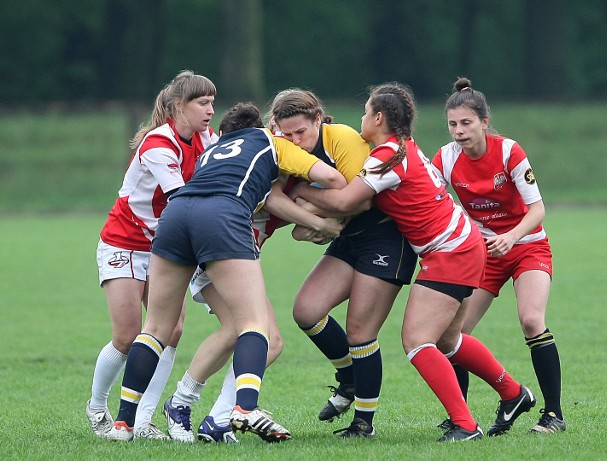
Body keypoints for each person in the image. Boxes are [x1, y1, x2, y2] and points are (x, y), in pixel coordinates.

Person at [292, 82, 536, 442]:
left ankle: (466, 426)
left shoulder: (387, 156)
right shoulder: (403, 149)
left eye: (365, 111)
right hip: (460, 243)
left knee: (418, 340)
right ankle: (514, 394)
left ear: (378, 117)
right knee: (448, 341)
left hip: (451, 250)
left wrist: (294, 189)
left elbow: (345, 202)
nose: (361, 117)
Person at [103, 102, 347, 443]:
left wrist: (314, 220)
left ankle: (126, 422)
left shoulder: (213, 150)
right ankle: (240, 409)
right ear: (267, 127)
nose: (291, 139)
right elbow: (331, 180)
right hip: (220, 228)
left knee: (157, 327)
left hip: (178, 216)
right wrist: (332, 210)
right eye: (286, 133)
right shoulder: (271, 145)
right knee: (258, 328)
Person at [271, 88, 417, 438]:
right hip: (349, 239)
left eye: (301, 132)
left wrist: (303, 199)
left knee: (360, 331)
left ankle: (363, 422)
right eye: (286, 134)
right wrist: (308, 220)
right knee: (306, 311)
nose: (294, 141)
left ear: (318, 119)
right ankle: (349, 378)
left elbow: (357, 202)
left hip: (384, 236)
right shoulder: (280, 147)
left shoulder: (342, 138)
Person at [162, 171, 344, 444]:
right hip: (221, 250)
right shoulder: (275, 162)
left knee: (238, 331)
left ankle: (198, 411)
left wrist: (326, 215)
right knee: (264, 339)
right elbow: (275, 201)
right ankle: (206, 412)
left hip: (223, 251)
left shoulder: (293, 172)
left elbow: (297, 229)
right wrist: (327, 213)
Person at [86, 70, 217, 440]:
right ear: (179, 106)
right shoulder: (160, 143)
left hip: (165, 246)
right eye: (202, 103)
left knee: (171, 331)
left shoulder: (204, 136)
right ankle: (98, 408)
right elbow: (182, 201)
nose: (210, 110)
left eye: (212, 102)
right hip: (125, 242)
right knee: (128, 336)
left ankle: (142, 421)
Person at [431, 77, 565, 434]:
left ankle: (553, 415)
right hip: (483, 253)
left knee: (532, 321)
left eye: (466, 123)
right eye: (452, 124)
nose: (459, 131)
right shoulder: (444, 158)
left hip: (527, 245)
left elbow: (537, 210)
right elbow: (428, 202)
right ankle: (462, 417)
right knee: (450, 335)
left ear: (484, 122)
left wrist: (511, 237)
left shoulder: (509, 152)